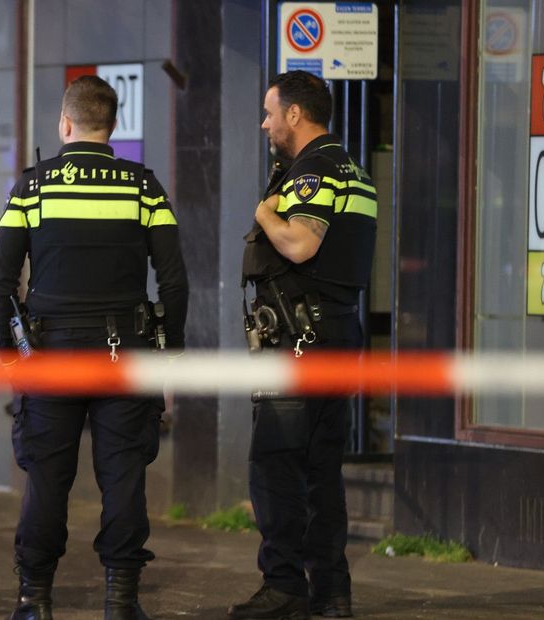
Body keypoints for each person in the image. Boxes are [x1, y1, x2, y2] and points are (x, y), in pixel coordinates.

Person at [0, 75, 188, 620]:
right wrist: (170, 358)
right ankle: (120, 603)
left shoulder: (32, 187)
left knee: (47, 480)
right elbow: (173, 281)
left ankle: (34, 601)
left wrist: (9, 353)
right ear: (114, 125)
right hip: (126, 352)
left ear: (65, 123)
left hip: (49, 357)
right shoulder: (143, 187)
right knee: (123, 476)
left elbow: (1, 279)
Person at [230, 71, 377, 620]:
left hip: (298, 340)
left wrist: (265, 210)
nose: (266, 123)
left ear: (295, 114)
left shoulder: (313, 170)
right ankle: (332, 592)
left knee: (275, 465)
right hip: (338, 333)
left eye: (271, 113)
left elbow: (299, 243)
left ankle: (284, 586)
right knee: (322, 468)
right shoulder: (356, 172)